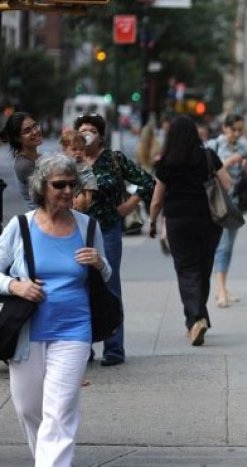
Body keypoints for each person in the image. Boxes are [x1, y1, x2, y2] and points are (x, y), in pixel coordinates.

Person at [0, 155, 111, 466]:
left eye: (71, 185)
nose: (66, 191)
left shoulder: (88, 226)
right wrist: (15, 286)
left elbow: (108, 274)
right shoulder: (20, 227)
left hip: (74, 330)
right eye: (59, 184)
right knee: (29, 408)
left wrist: (99, 263)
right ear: (41, 187)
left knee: (60, 411)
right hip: (27, 331)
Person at [74, 114, 155, 366]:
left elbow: (147, 182)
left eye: (91, 130)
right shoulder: (71, 162)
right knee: (79, 287)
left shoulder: (114, 159)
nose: (86, 133)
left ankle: (114, 348)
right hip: (77, 232)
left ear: (100, 136)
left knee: (110, 284)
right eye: (82, 130)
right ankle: (82, 347)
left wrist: (129, 205)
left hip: (107, 229)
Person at [149, 116, 231, 346]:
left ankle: (196, 318)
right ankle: (195, 320)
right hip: (208, 220)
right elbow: (227, 183)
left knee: (186, 271)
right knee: (203, 269)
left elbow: (157, 199)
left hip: (178, 221)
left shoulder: (166, 162)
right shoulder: (207, 156)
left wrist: (153, 222)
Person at [205, 113, 247, 307]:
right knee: (222, 246)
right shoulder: (213, 146)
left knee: (228, 246)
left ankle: (221, 286)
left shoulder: (244, 148)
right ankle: (221, 289)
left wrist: (246, 167)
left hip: (235, 204)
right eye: (234, 130)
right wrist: (230, 161)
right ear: (225, 128)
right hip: (217, 203)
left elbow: (245, 176)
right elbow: (207, 170)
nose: (237, 134)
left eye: (240, 130)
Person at [0, 112, 43, 209]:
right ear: (18, 138)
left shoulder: (38, 157)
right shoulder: (24, 165)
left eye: (35, 126)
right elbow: (48, 195)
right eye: (27, 131)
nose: (35, 131)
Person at [58, 130, 98, 213]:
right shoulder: (60, 164)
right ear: (64, 150)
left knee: (80, 200)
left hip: (78, 198)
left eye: (82, 149)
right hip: (63, 198)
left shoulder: (84, 166)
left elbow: (89, 181)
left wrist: (88, 199)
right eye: (74, 149)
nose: (78, 152)